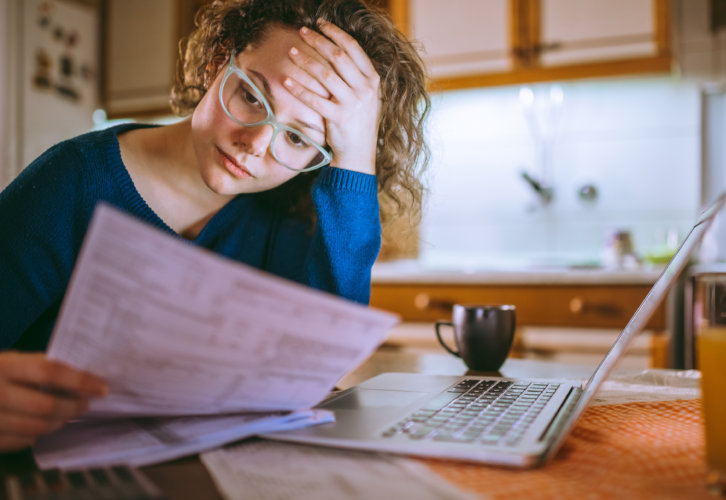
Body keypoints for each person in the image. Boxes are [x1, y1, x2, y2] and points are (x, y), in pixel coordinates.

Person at [0, 0, 429, 452]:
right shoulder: (72, 181)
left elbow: (321, 366)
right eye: (251, 95)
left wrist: (357, 157)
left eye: (298, 137)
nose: (255, 145)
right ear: (215, 63)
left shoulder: (291, 214)